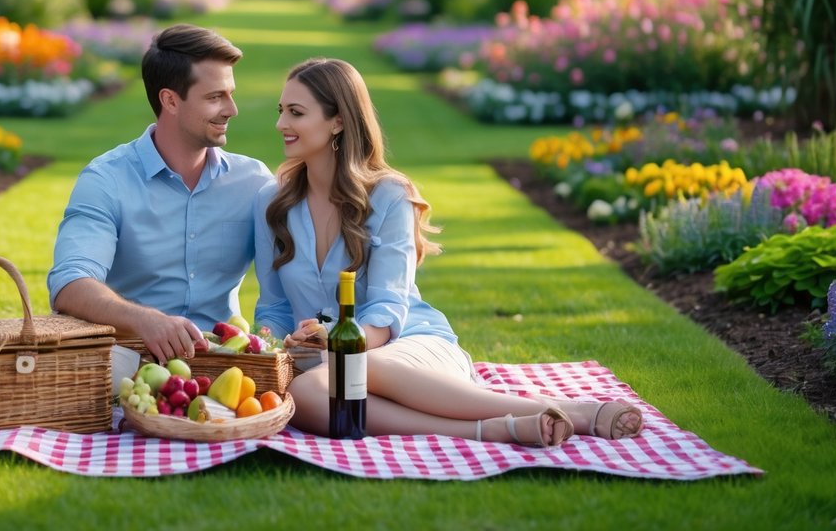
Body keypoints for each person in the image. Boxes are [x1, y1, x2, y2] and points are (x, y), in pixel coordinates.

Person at [253, 57, 644, 447]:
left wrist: (340, 342)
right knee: (304, 395)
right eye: (281, 111)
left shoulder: (389, 195)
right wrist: (285, 344)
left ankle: (563, 409)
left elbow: (388, 308)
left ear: (337, 120)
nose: (281, 124)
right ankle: (487, 429)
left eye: (296, 112)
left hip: (406, 347)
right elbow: (272, 310)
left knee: (354, 369)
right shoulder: (272, 202)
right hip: (323, 365)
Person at [49, 24, 273, 364]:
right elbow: (70, 283)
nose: (232, 109)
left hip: (224, 367)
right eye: (215, 97)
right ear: (170, 100)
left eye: (230, 93)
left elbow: (287, 283)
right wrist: (145, 320)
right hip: (128, 364)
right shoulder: (107, 180)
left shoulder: (253, 182)